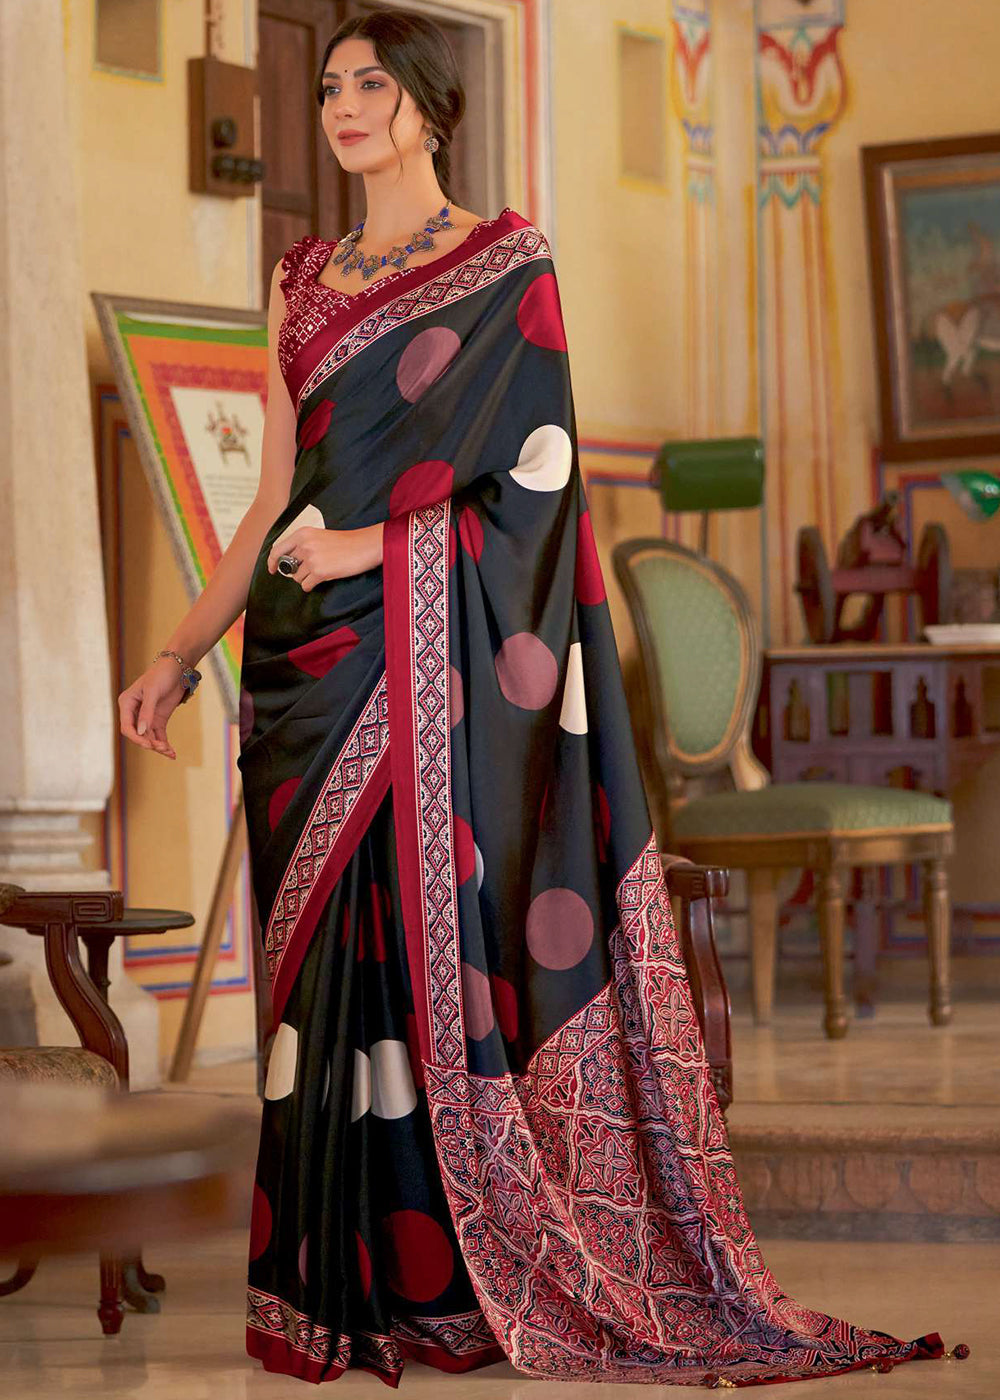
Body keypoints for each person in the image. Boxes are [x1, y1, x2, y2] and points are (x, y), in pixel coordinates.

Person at [118, 8, 964, 1390]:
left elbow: (538, 483)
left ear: (429, 103)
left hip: (431, 661)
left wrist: (374, 550)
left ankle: (445, 1285)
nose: (341, 107)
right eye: (328, 87)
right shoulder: (299, 280)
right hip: (302, 677)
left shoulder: (506, 264)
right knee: (320, 985)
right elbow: (269, 502)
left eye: (369, 83)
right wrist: (173, 653)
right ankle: (334, 1287)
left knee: (429, 951)